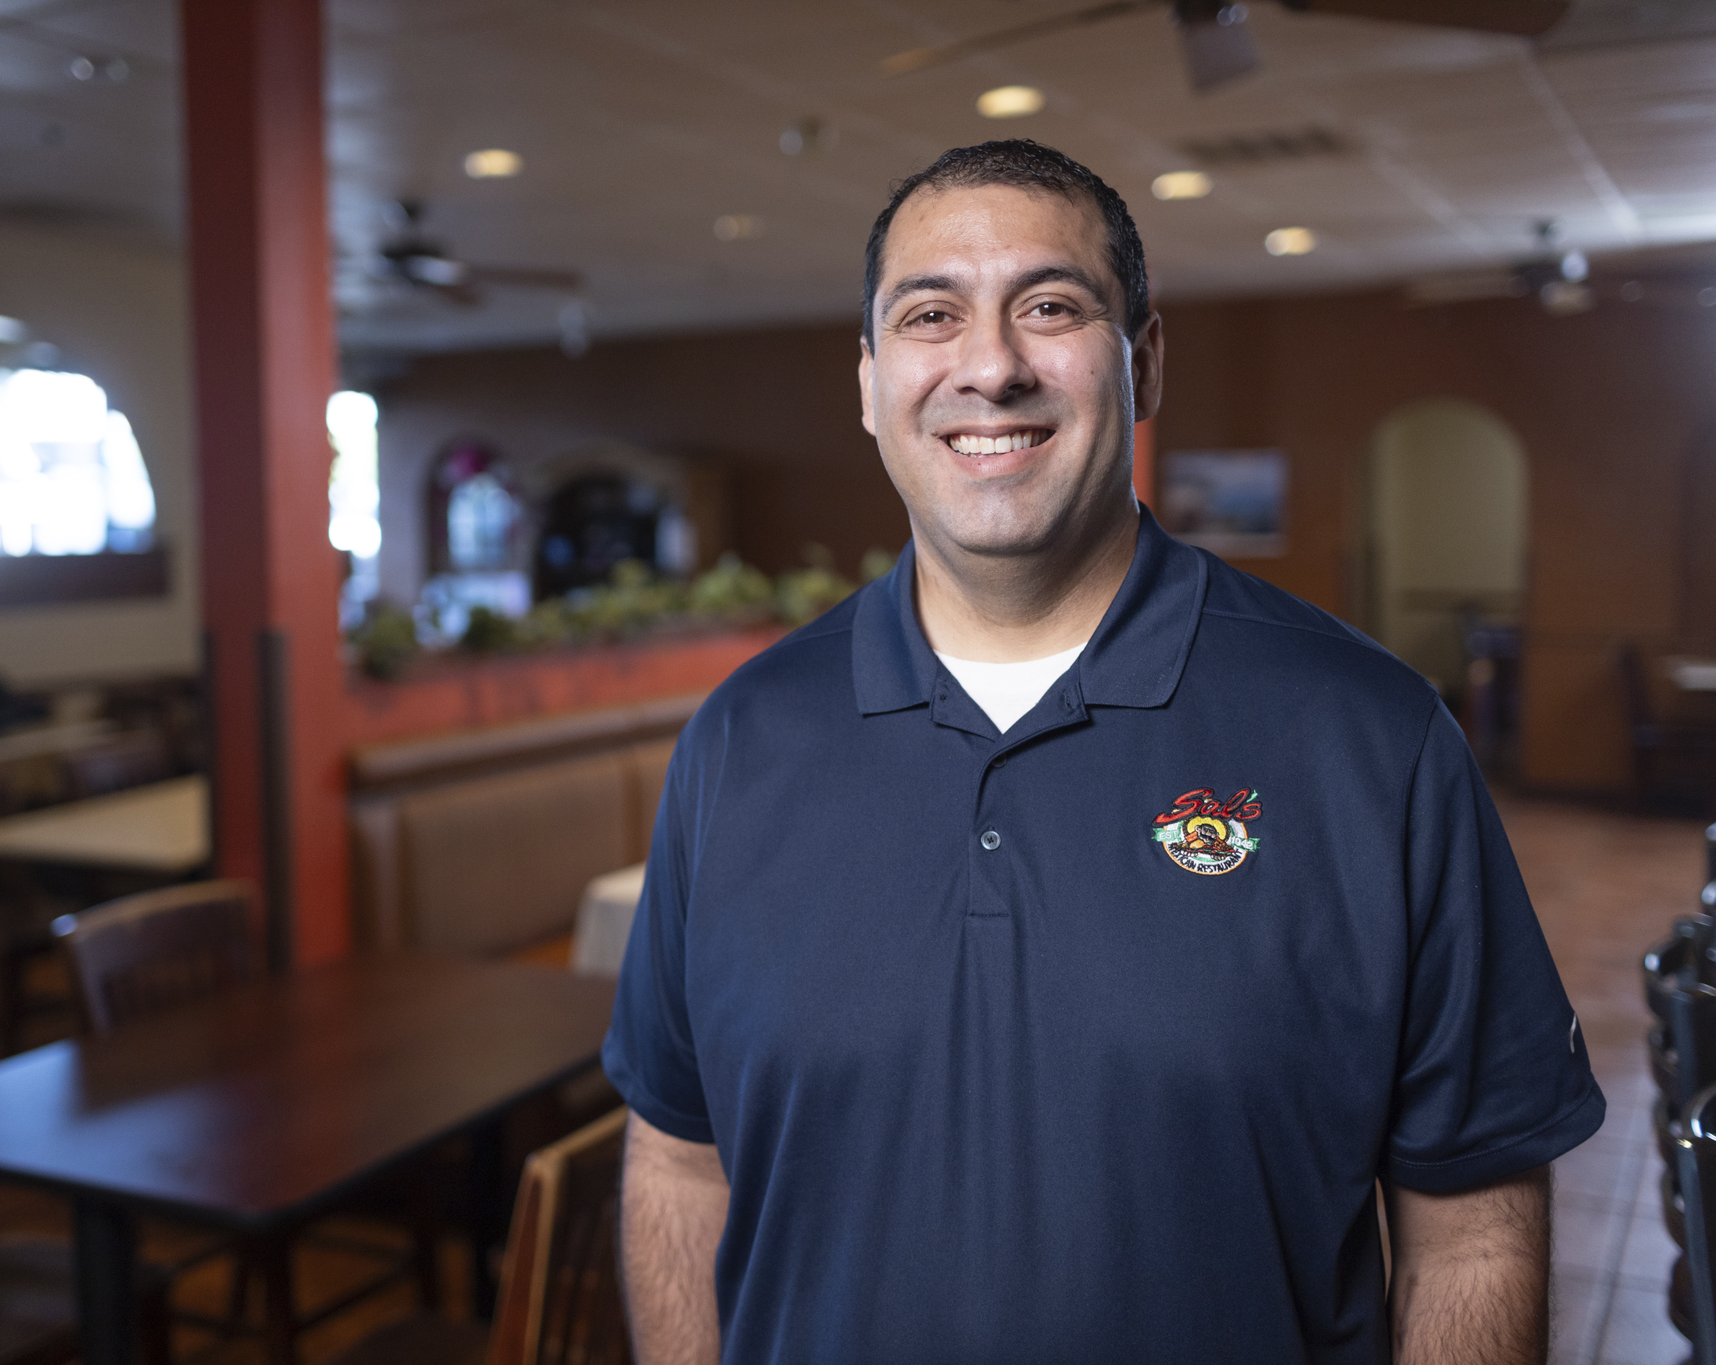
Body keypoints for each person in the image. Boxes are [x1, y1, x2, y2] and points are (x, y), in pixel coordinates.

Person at [602, 139, 1602, 1365]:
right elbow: (678, 1159)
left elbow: (1472, 1230)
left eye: (1051, 307)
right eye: (931, 314)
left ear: (1144, 362)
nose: (990, 365)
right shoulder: (739, 740)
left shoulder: (1370, 736)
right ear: (867, 384)